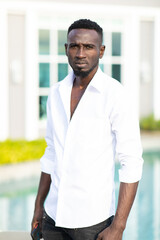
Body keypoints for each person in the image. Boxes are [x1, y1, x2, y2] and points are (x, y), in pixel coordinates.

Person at [31, 19, 143, 240]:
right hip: (53, 218)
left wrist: (118, 227)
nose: (80, 53)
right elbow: (51, 152)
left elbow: (131, 161)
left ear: (101, 51)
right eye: (75, 46)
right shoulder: (55, 93)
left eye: (89, 47)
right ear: (66, 49)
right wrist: (38, 207)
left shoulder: (116, 95)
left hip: (93, 223)